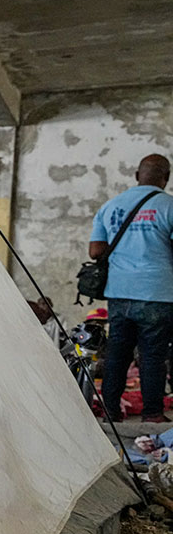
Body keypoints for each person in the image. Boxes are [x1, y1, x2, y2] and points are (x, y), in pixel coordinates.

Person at [91, 153, 173, 423]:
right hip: (157, 292)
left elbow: (95, 251)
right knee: (152, 355)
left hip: (119, 291)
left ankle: (111, 411)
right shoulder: (169, 206)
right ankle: (152, 413)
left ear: (137, 176)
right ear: (166, 178)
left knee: (117, 353)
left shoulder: (110, 206)